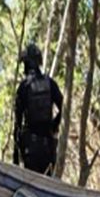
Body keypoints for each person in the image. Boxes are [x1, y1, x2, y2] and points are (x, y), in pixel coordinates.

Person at [13, 42, 63, 175]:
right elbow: (63, 108)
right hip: (48, 148)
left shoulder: (23, 87)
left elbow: (17, 125)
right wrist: (54, 125)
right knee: (46, 184)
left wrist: (15, 159)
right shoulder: (50, 83)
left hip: (31, 150)